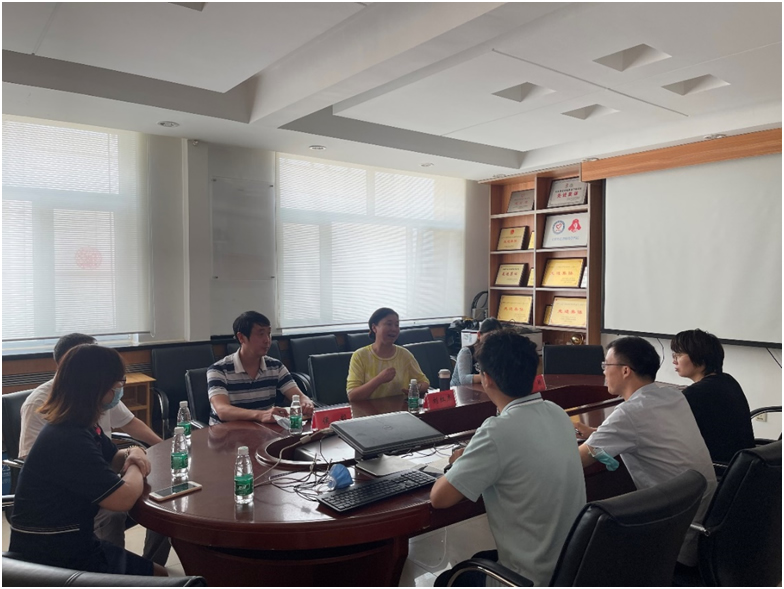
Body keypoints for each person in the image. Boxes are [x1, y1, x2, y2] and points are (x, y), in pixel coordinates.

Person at [431, 330, 586, 586]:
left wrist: (457, 463)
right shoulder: (557, 412)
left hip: (526, 579)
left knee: (448, 580)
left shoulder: (497, 431)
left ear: (486, 379)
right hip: (570, 569)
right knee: (479, 558)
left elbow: (440, 498)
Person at [9, 345, 166, 576]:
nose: (120, 389)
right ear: (98, 387)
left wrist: (132, 451)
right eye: (119, 383)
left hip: (70, 538)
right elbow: (122, 499)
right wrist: (136, 462)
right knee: (161, 576)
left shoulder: (81, 424)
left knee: (159, 572)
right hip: (53, 551)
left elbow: (113, 457)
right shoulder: (68, 437)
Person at [575, 336, 717, 566]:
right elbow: (647, 430)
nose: (603, 372)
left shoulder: (629, 414)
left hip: (675, 537)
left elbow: (576, 461)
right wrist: (597, 432)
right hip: (704, 521)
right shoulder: (672, 395)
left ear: (625, 371)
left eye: (606, 365)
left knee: (586, 543)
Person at [208, 311, 314, 425]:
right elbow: (222, 410)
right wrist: (260, 415)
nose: (267, 340)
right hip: (225, 432)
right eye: (261, 334)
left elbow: (298, 396)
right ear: (241, 337)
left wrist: (305, 402)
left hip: (263, 430)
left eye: (269, 333)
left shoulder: (275, 366)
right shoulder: (218, 370)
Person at [671, 329, 755, 464]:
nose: (674, 361)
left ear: (700, 358)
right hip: (742, 464)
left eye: (679, 355)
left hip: (718, 466)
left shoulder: (696, 393)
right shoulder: (727, 380)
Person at [346, 307, 430, 401]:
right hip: (369, 409)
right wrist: (379, 379)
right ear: (374, 328)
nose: (394, 329)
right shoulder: (360, 356)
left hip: (401, 408)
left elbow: (424, 382)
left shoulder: (404, 354)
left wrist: (414, 389)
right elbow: (352, 396)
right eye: (389, 324)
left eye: (396, 325)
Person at [450, 317, 501, 387]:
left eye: (497, 338)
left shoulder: (496, 353)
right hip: (459, 390)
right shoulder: (466, 352)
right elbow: (464, 379)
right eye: (489, 336)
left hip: (480, 390)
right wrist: (491, 378)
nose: (492, 341)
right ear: (479, 335)